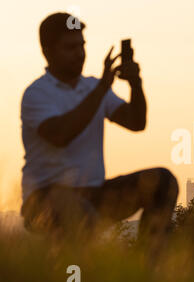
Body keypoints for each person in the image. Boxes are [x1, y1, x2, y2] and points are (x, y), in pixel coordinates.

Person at [20, 12, 179, 246]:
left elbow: (136, 122)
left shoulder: (93, 87)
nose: (79, 53)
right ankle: (77, 275)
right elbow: (60, 135)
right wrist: (103, 87)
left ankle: (149, 267)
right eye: (70, 47)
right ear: (47, 51)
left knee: (162, 181)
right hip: (44, 198)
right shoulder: (36, 94)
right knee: (71, 204)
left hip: (94, 194)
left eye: (82, 45)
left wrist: (136, 83)